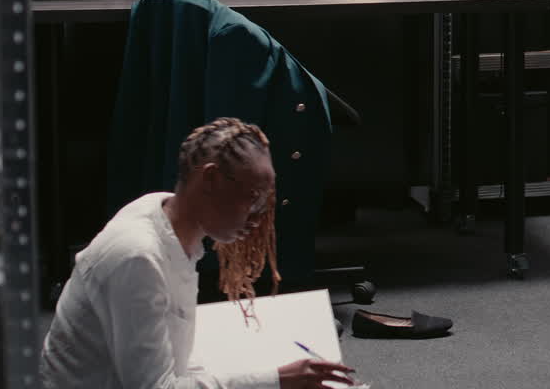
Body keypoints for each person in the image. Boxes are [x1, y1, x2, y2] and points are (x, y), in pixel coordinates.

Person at [41, 117, 354, 389]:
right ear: (210, 178)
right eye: (254, 198)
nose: (259, 219)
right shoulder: (138, 257)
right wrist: (275, 381)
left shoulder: (166, 215)